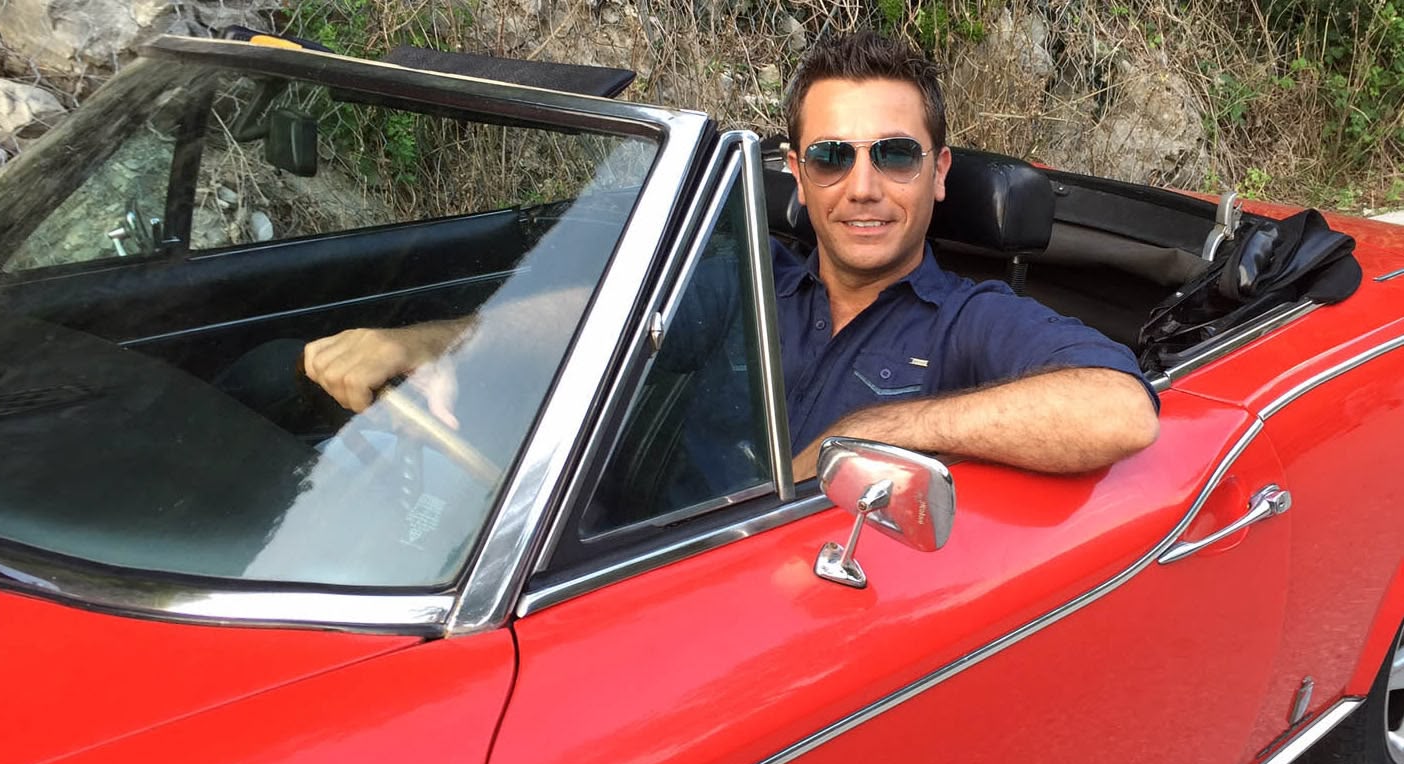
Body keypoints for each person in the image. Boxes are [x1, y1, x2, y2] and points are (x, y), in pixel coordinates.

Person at [302, 31, 1159, 480]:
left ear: (938, 174)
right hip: (669, 586)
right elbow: (590, 323)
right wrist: (430, 344)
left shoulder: (968, 321)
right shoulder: (750, 282)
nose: (863, 187)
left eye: (895, 155)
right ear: (798, 174)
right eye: (833, 156)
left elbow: (1120, 410)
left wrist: (868, 432)